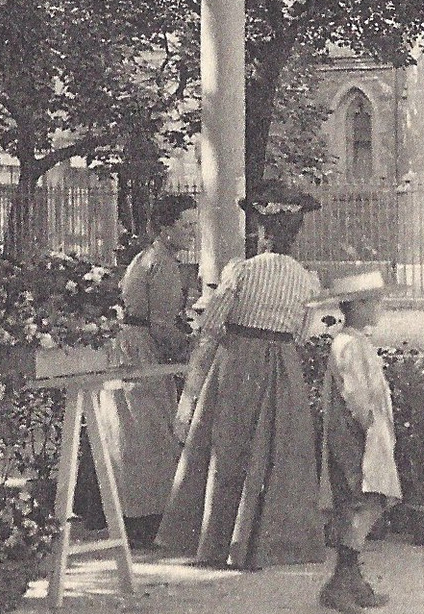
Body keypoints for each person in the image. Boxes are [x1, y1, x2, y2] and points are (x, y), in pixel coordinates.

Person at [159, 181, 328, 570]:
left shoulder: (241, 271)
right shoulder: (306, 279)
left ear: (262, 232)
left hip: (237, 362)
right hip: (282, 366)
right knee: (276, 451)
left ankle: (217, 540)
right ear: (294, 234)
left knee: (227, 448)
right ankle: (270, 542)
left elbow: (212, 326)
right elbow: (303, 334)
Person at [97, 194, 198, 550]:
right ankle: (146, 522)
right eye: (186, 226)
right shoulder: (164, 265)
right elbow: (162, 325)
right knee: (150, 435)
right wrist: (192, 350)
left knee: (131, 435)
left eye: (194, 226)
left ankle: (131, 517)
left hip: (127, 349)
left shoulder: (146, 258)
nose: (192, 233)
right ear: (166, 227)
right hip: (142, 352)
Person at [316, 270, 401, 614]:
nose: (379, 307)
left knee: (369, 501)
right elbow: (355, 394)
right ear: (358, 306)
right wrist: (372, 430)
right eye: (374, 301)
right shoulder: (348, 345)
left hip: (366, 431)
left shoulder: (357, 341)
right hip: (354, 434)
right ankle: (339, 582)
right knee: (361, 501)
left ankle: (351, 578)